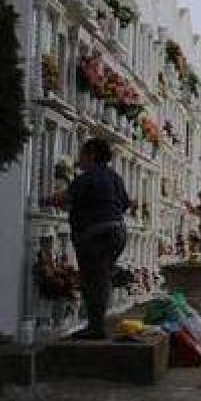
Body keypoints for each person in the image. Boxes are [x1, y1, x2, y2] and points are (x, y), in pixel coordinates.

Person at [66, 138, 130, 340]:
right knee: (101, 277)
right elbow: (125, 203)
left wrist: (48, 199)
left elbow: (67, 198)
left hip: (94, 234)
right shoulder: (115, 177)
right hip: (117, 232)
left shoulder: (87, 177)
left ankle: (95, 327)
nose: (80, 159)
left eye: (82, 154)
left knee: (93, 280)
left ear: (92, 154)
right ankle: (97, 324)